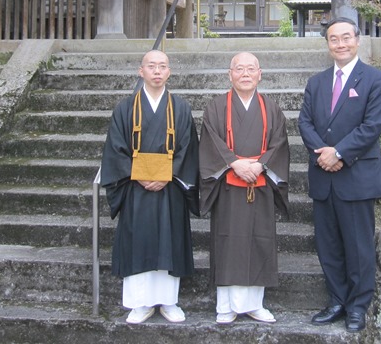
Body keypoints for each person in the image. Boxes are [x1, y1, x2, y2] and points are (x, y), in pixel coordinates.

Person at [297, 17, 381, 333]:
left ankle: (358, 306)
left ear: (357, 40)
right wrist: (323, 153)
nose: (340, 43)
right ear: (327, 44)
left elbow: (372, 127)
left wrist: (338, 153)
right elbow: (305, 123)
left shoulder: (375, 79)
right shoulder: (317, 82)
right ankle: (337, 299)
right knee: (328, 243)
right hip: (324, 176)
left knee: (358, 246)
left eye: (346, 37)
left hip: (356, 176)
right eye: (334, 39)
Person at [100, 50, 199, 325]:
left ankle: (169, 301)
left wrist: (167, 174)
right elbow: (116, 148)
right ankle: (139, 303)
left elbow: (188, 148)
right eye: (151, 66)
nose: (157, 71)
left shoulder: (180, 108)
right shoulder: (125, 108)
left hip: (170, 189)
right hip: (135, 188)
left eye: (162, 66)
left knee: (170, 240)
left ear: (169, 72)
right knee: (138, 240)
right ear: (140, 71)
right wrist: (138, 174)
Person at [198, 52, 290, 325]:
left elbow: (279, 144)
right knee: (228, 242)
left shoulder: (271, 108)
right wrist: (234, 163)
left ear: (260, 74)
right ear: (230, 74)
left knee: (259, 241)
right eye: (239, 69)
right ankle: (225, 305)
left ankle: (254, 304)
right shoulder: (215, 107)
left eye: (251, 69)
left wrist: (261, 166)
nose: (245, 73)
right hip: (228, 187)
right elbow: (211, 142)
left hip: (259, 186)